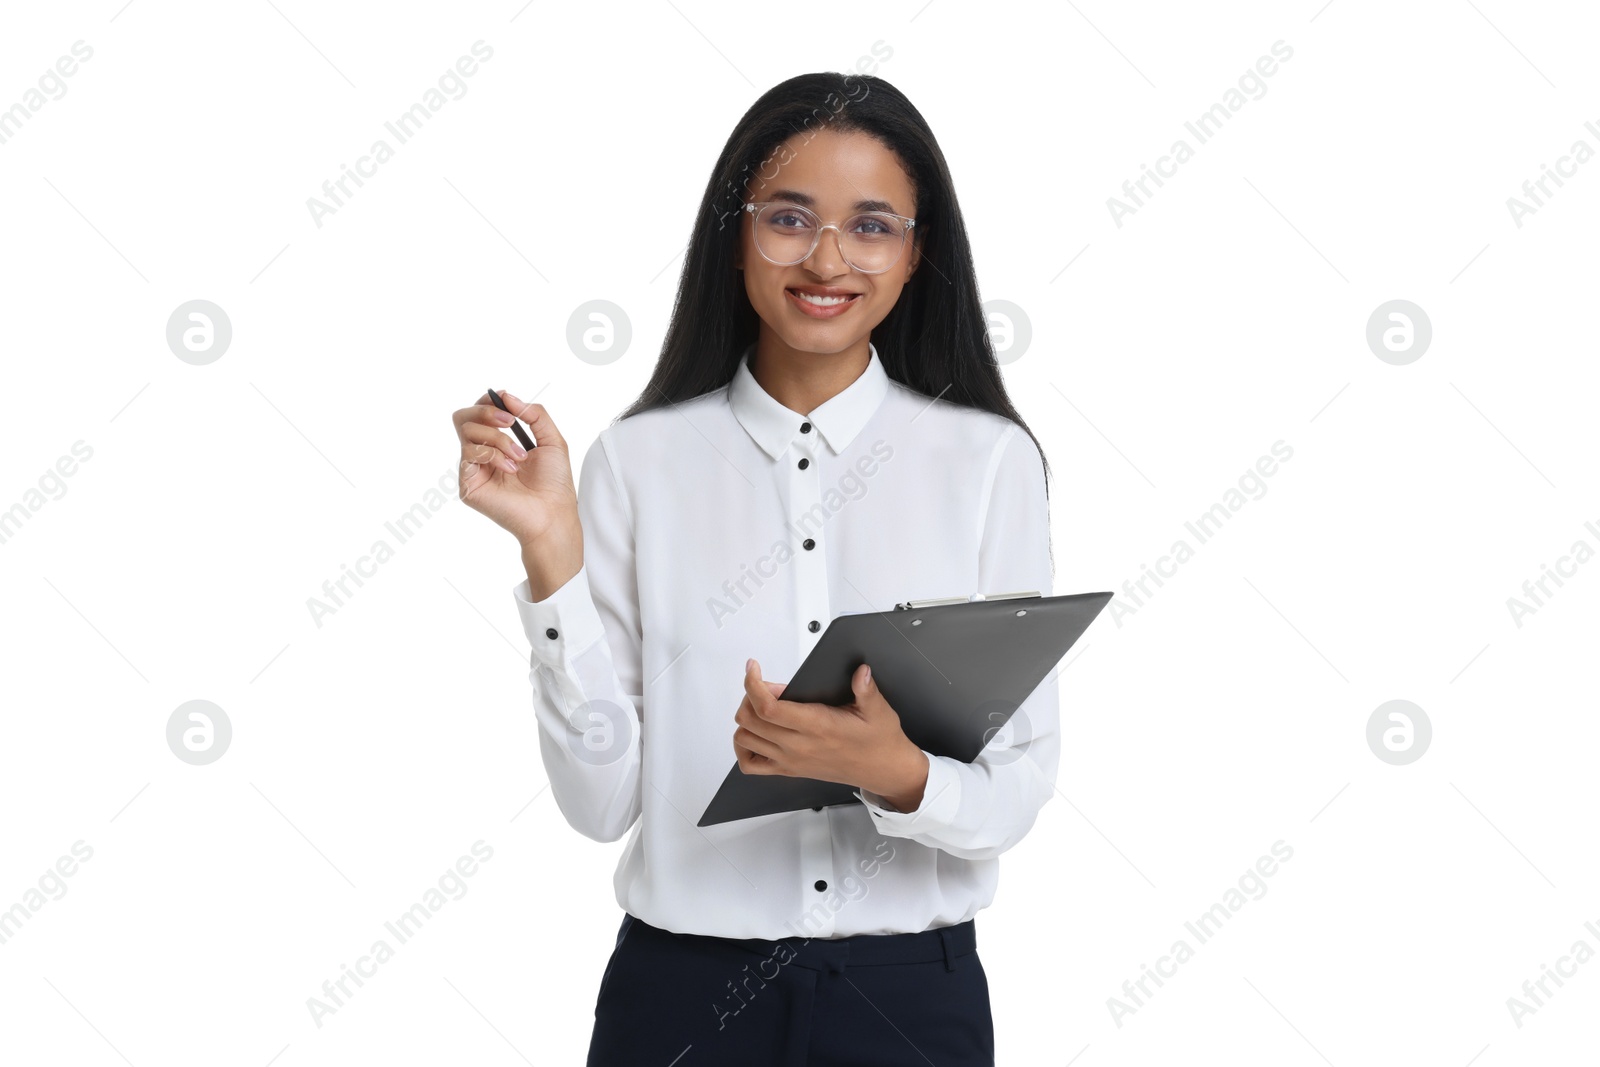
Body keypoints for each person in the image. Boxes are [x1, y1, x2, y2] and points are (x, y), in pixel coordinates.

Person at [454, 70, 1056, 1067]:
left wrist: (896, 775)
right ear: (733, 235)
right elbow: (599, 806)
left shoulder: (987, 463)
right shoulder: (637, 462)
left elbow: (1018, 787)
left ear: (917, 254)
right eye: (788, 217)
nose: (826, 258)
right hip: (681, 1002)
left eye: (871, 225)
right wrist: (550, 552)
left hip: (910, 1002)